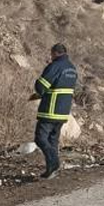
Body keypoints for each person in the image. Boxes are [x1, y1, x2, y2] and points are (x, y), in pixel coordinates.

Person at [29, 42, 78, 179]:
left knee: (40, 138)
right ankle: (51, 170)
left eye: (51, 54)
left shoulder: (55, 66)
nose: (50, 57)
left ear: (55, 53)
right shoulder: (72, 68)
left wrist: (38, 88)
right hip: (63, 112)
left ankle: (55, 163)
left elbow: (41, 86)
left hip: (50, 110)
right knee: (53, 140)